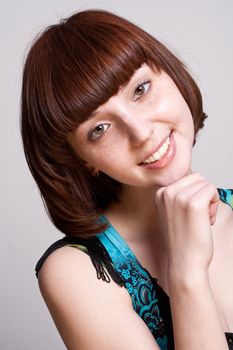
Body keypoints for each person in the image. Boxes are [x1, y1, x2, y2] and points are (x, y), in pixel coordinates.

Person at [20, 9, 233, 350]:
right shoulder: (79, 273)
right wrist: (187, 273)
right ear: (81, 159)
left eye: (141, 89)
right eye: (99, 129)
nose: (141, 132)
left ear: (172, 75)